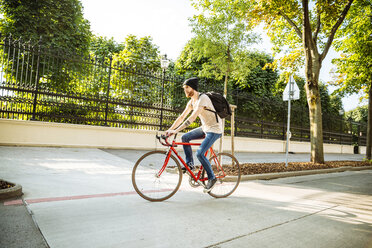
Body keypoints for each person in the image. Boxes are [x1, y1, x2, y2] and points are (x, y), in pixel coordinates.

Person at [166, 77, 222, 193]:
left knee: (200, 153)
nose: (185, 90)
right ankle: (190, 165)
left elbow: (191, 118)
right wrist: (170, 130)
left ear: (193, 88)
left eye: (187, 87)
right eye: (184, 88)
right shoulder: (192, 101)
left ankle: (212, 178)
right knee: (185, 137)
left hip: (215, 129)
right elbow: (182, 117)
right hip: (205, 128)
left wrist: (176, 131)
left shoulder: (203, 99)